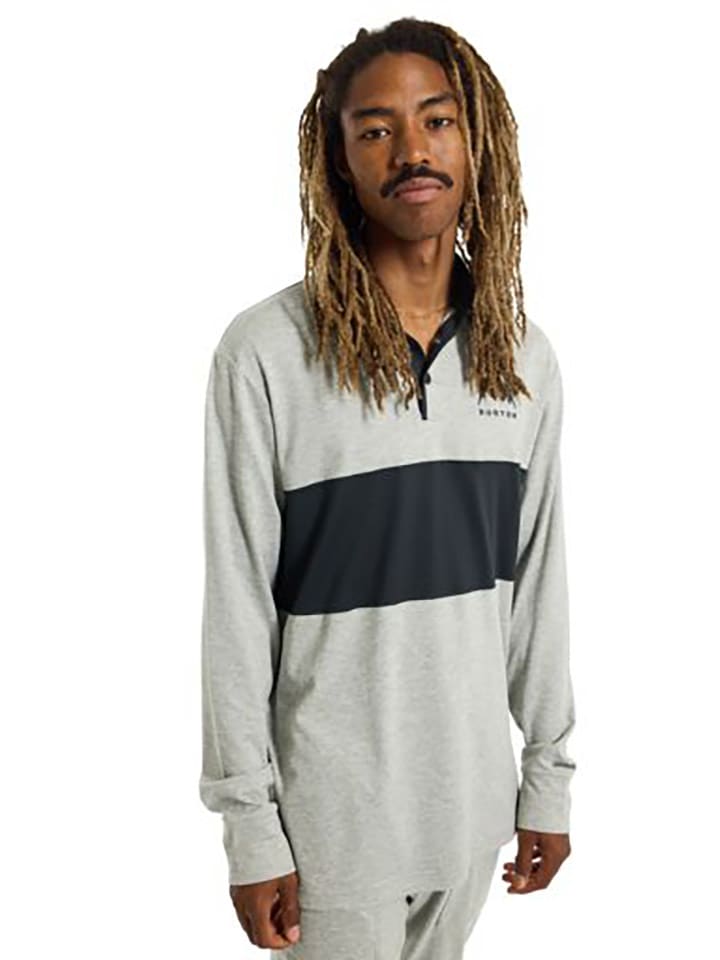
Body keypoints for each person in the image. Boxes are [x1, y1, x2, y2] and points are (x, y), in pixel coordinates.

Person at [199, 16, 577, 960]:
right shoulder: (266, 353)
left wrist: (548, 779)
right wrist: (250, 826)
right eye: (375, 129)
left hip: (472, 817)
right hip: (329, 832)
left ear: (476, 141)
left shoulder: (523, 361)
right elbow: (238, 603)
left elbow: (537, 589)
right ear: (339, 160)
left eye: (436, 121)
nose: (412, 150)